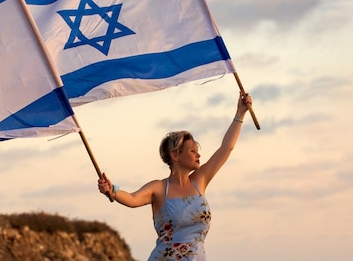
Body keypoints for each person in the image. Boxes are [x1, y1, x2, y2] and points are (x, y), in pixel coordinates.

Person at [97, 91, 252, 261]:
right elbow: (133, 199)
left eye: (197, 151)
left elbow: (226, 148)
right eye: (192, 151)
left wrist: (240, 113)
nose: (198, 155)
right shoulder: (159, 188)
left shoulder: (199, 181)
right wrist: (111, 190)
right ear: (175, 156)